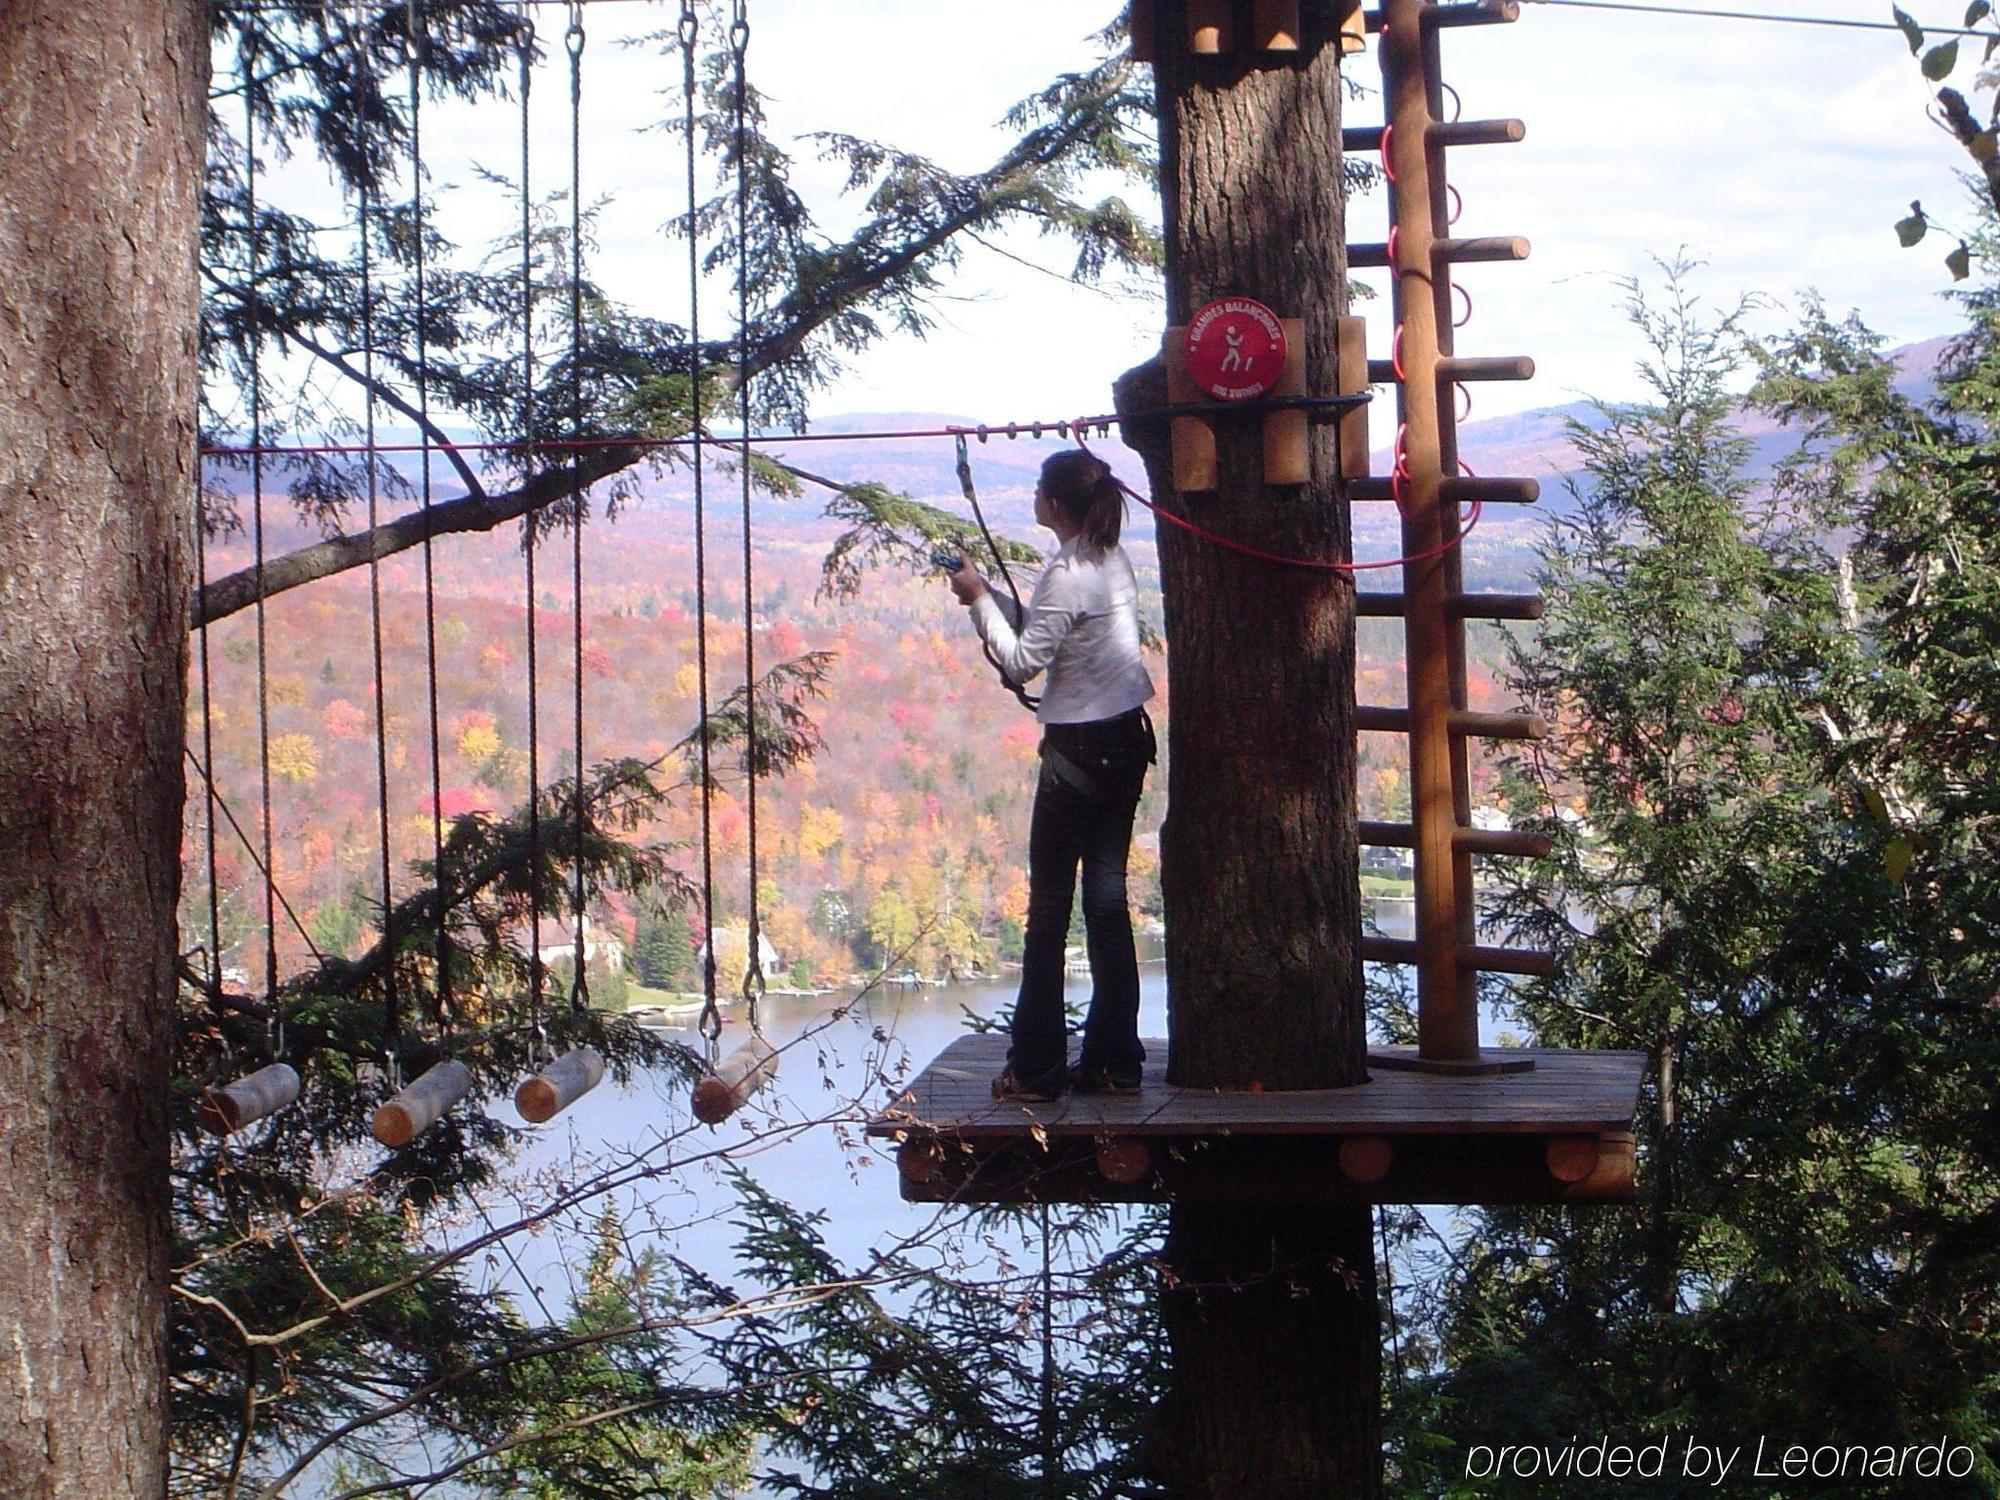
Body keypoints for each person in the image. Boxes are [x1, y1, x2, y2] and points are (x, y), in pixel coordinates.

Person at [946, 448, 1156, 1101]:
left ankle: (1035, 1068)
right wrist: (1003, 599)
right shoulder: (1108, 557)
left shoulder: (1067, 573)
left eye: (1039, 489)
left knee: (1048, 910)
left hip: (1077, 756)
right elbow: (1062, 630)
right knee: (1106, 904)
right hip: (1127, 740)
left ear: (1056, 505)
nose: (1034, 497)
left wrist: (979, 599)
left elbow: (1020, 665)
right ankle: (1115, 1060)